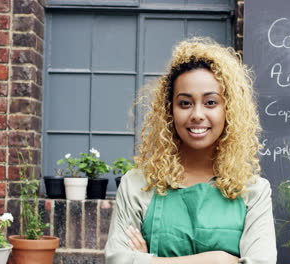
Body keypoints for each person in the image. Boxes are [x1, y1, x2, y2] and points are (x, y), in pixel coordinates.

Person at [105, 37, 277, 264]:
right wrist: (218, 260)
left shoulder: (253, 192)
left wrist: (148, 260)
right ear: (170, 112)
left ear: (229, 111)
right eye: (185, 103)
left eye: (211, 102)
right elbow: (117, 260)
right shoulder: (137, 185)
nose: (197, 114)